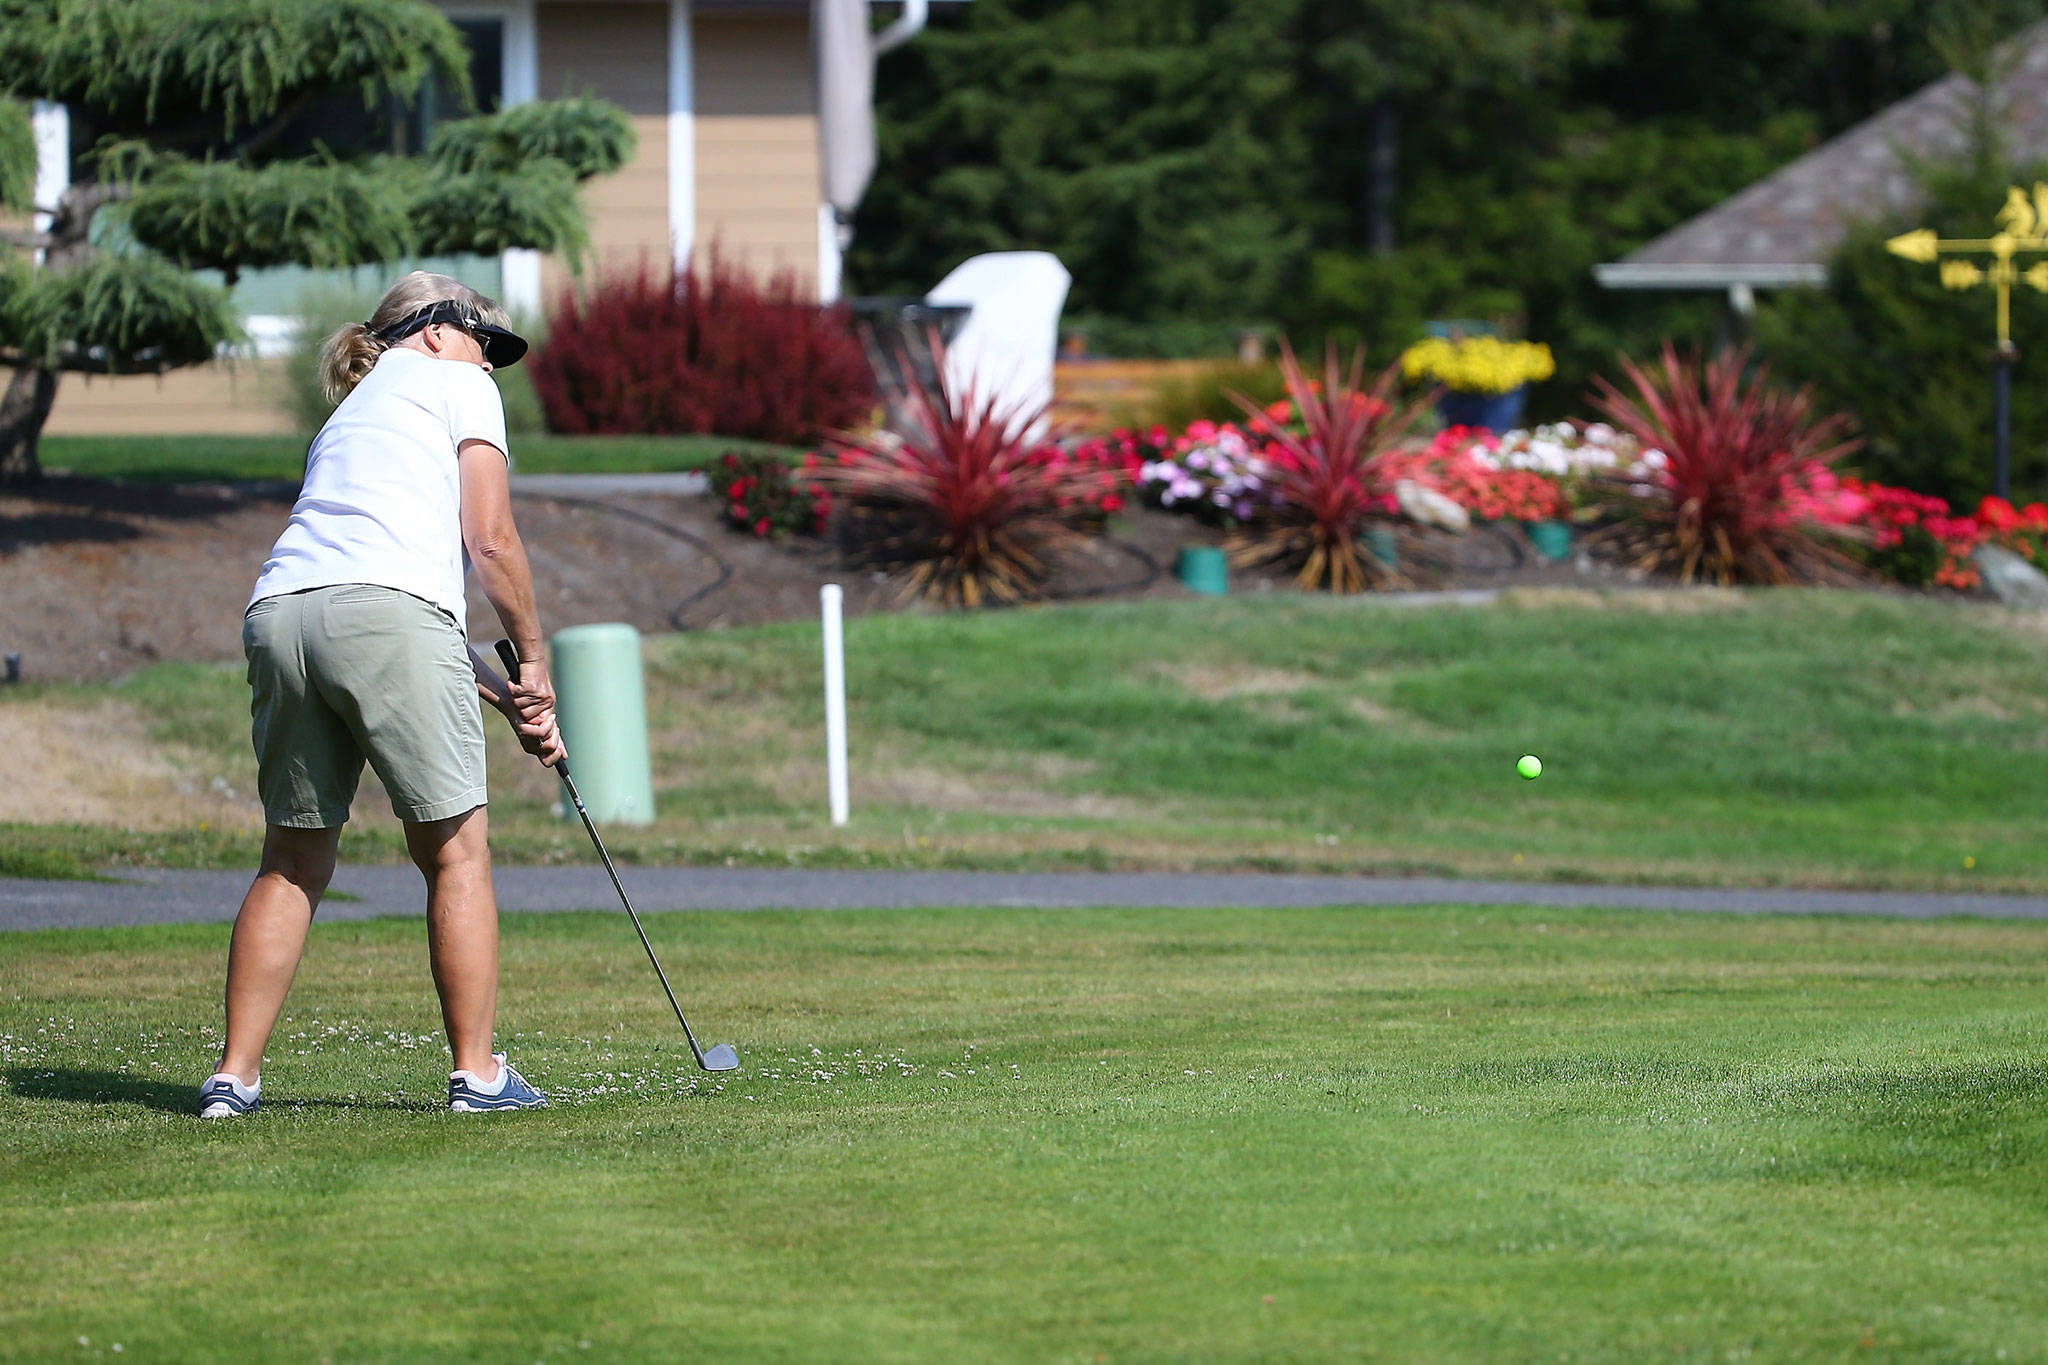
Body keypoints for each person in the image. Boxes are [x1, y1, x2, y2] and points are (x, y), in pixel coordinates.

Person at [197, 271, 566, 1118]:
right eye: (483, 340)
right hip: (380, 618)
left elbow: (369, 598)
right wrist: (536, 664)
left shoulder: (346, 416)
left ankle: (233, 1078)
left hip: (280, 614)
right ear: (437, 330)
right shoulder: (458, 380)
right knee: (454, 851)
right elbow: (490, 539)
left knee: (292, 858)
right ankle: (478, 1076)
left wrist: (499, 693)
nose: (490, 362)